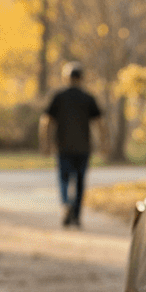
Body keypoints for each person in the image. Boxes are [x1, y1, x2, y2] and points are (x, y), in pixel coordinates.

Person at [40, 64, 104, 227]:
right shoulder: (88, 98)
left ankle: (66, 203)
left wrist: (45, 143)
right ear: (81, 79)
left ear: (66, 78)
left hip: (63, 146)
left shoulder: (59, 97)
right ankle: (76, 214)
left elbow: (46, 121)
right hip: (83, 147)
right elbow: (99, 123)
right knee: (80, 182)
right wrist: (104, 144)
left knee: (64, 178)